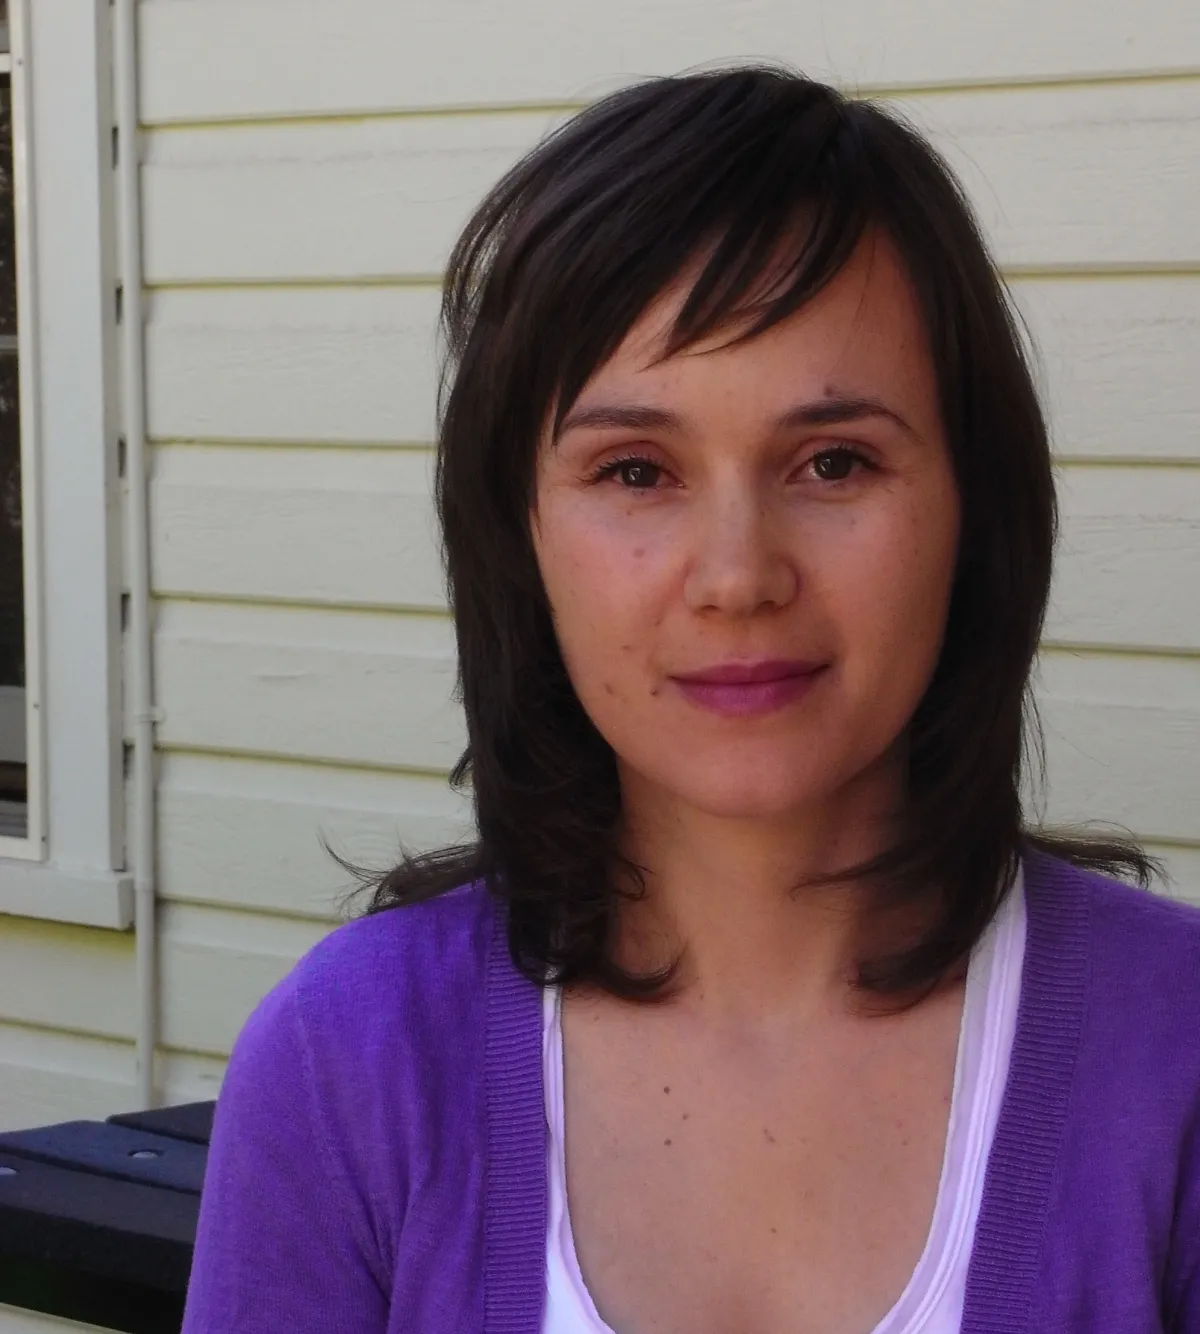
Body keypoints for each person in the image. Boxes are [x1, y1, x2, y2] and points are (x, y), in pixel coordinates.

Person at [180, 66, 1200, 1334]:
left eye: (833, 460)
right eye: (637, 468)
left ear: (972, 512)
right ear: (523, 531)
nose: (736, 575)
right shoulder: (348, 1066)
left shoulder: (1177, 1054)